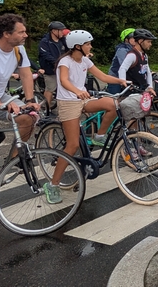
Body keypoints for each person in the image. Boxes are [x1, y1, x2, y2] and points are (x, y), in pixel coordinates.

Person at [46, 30, 127, 204]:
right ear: (77, 46)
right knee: (72, 145)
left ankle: (99, 136)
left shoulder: (85, 60)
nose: (90, 47)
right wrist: (77, 91)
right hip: (68, 102)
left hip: (83, 100)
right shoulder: (65, 62)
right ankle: (53, 185)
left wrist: (121, 81)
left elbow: (102, 76)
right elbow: (64, 81)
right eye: (88, 44)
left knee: (113, 105)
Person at [0, 14, 40, 151]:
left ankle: (15, 159)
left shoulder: (19, 49)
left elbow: (26, 74)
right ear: (6, 34)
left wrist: (30, 100)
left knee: (29, 118)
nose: (26, 35)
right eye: (21, 32)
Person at [118, 29, 157, 96]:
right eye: (148, 42)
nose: (150, 44)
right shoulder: (132, 55)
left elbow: (148, 72)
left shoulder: (144, 55)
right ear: (140, 41)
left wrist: (150, 87)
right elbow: (122, 69)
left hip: (141, 90)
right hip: (132, 92)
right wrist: (123, 82)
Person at [38, 21, 68, 108]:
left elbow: (69, 51)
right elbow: (46, 55)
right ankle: (47, 109)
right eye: (61, 30)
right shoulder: (45, 42)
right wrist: (57, 63)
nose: (63, 32)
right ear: (54, 31)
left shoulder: (63, 41)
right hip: (50, 70)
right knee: (50, 88)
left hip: (62, 69)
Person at [106, 28, 136, 94]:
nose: (135, 40)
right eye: (133, 38)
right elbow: (125, 64)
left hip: (127, 77)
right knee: (115, 97)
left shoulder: (135, 49)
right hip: (115, 77)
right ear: (126, 39)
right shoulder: (122, 50)